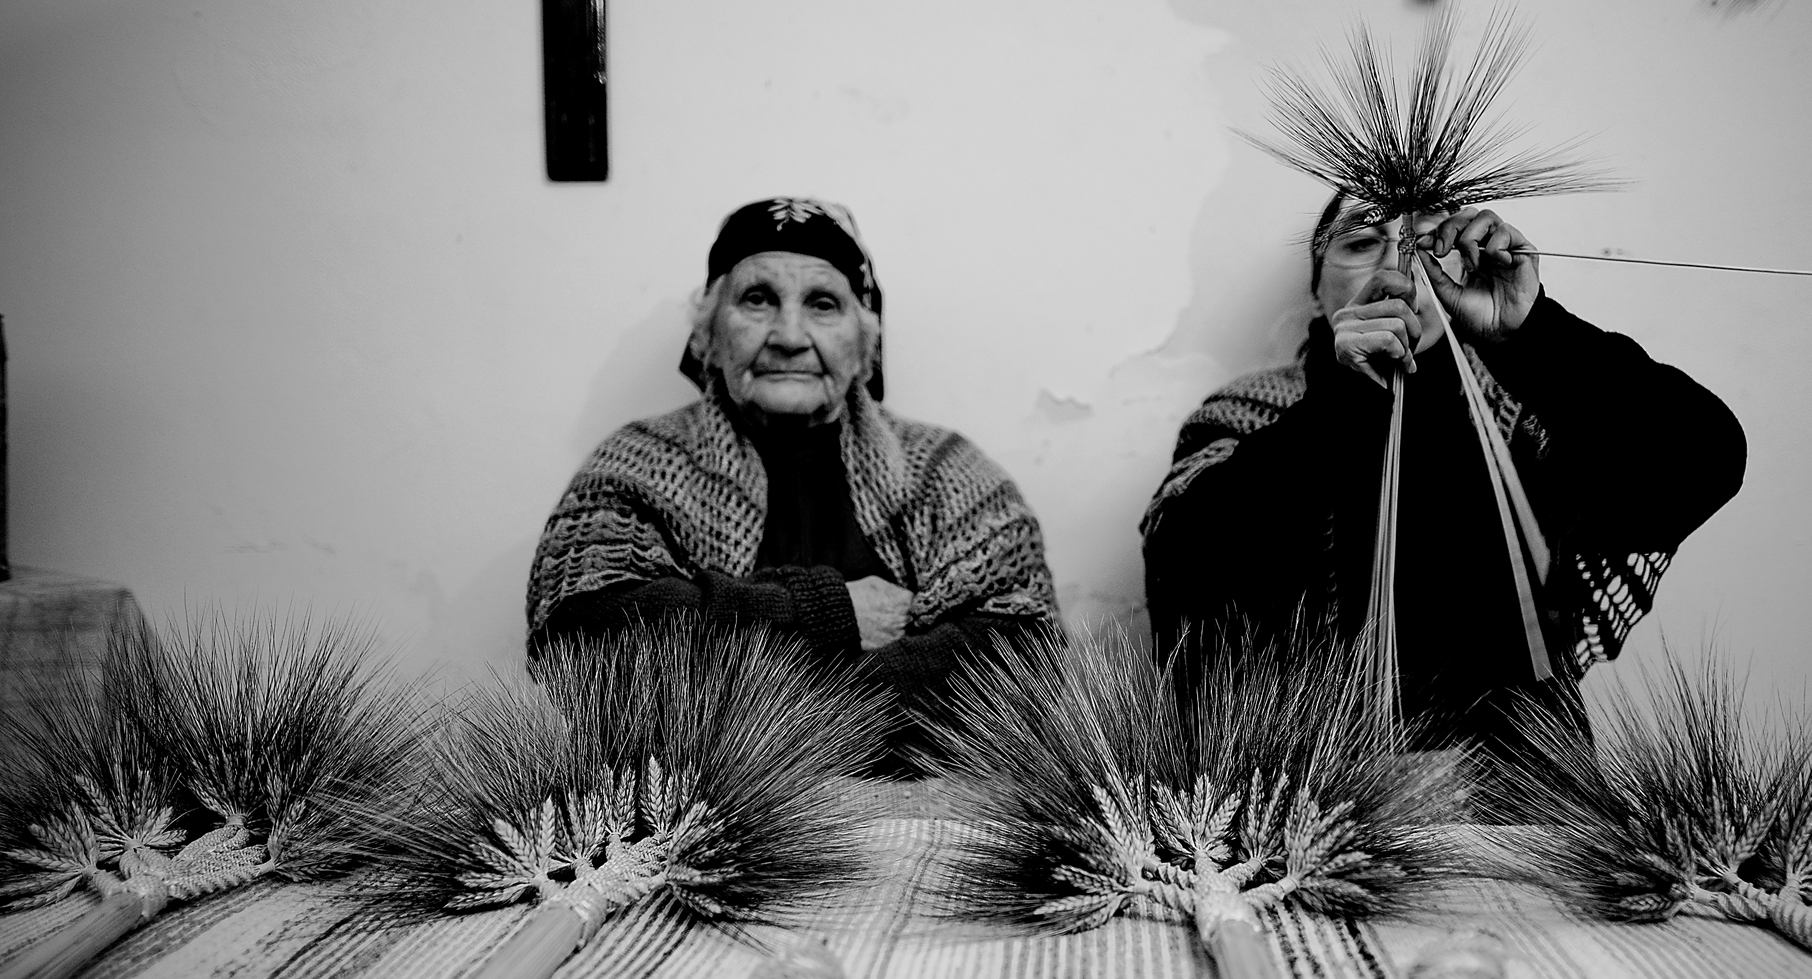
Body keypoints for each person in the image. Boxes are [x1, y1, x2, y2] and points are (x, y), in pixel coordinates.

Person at [1141, 195, 1746, 751]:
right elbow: (1186, 563)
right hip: (1300, 796)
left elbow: (1701, 463)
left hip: (1518, 798)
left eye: (1427, 240)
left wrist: (1533, 331)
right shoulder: (1250, 410)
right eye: (1361, 243)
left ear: (1464, 265)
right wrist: (1344, 396)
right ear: (1317, 290)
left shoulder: (1524, 412)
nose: (1399, 264)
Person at [527, 197, 1057, 733]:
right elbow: (578, 634)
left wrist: (790, 714)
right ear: (709, 335)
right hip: (693, 789)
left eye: (822, 304)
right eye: (757, 299)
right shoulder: (636, 464)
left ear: (864, 343)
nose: (789, 337)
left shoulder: (944, 470)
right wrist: (826, 612)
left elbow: (1024, 644)